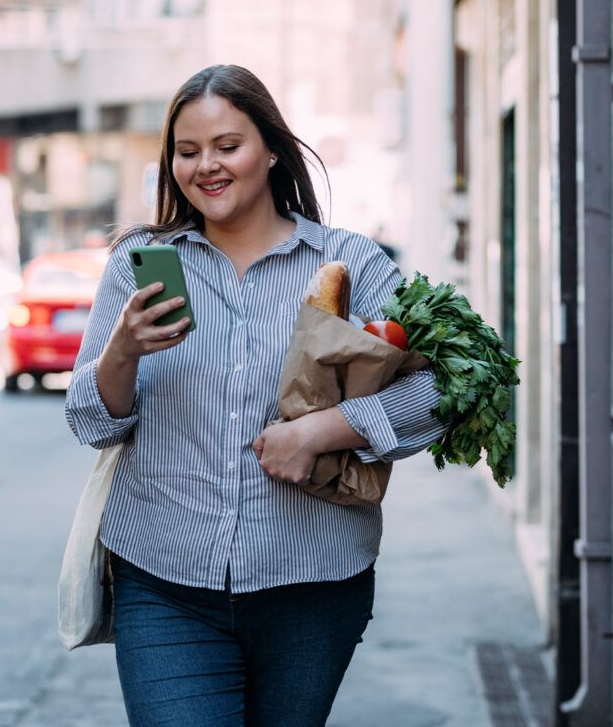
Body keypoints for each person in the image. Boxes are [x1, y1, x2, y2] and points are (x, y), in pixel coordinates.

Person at [64, 64, 447, 727]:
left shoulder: (350, 263)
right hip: (163, 583)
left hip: (313, 586)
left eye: (227, 145)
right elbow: (89, 418)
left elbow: (446, 388)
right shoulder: (142, 267)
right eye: (187, 152)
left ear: (272, 149)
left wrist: (325, 430)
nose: (205, 165)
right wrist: (122, 349)